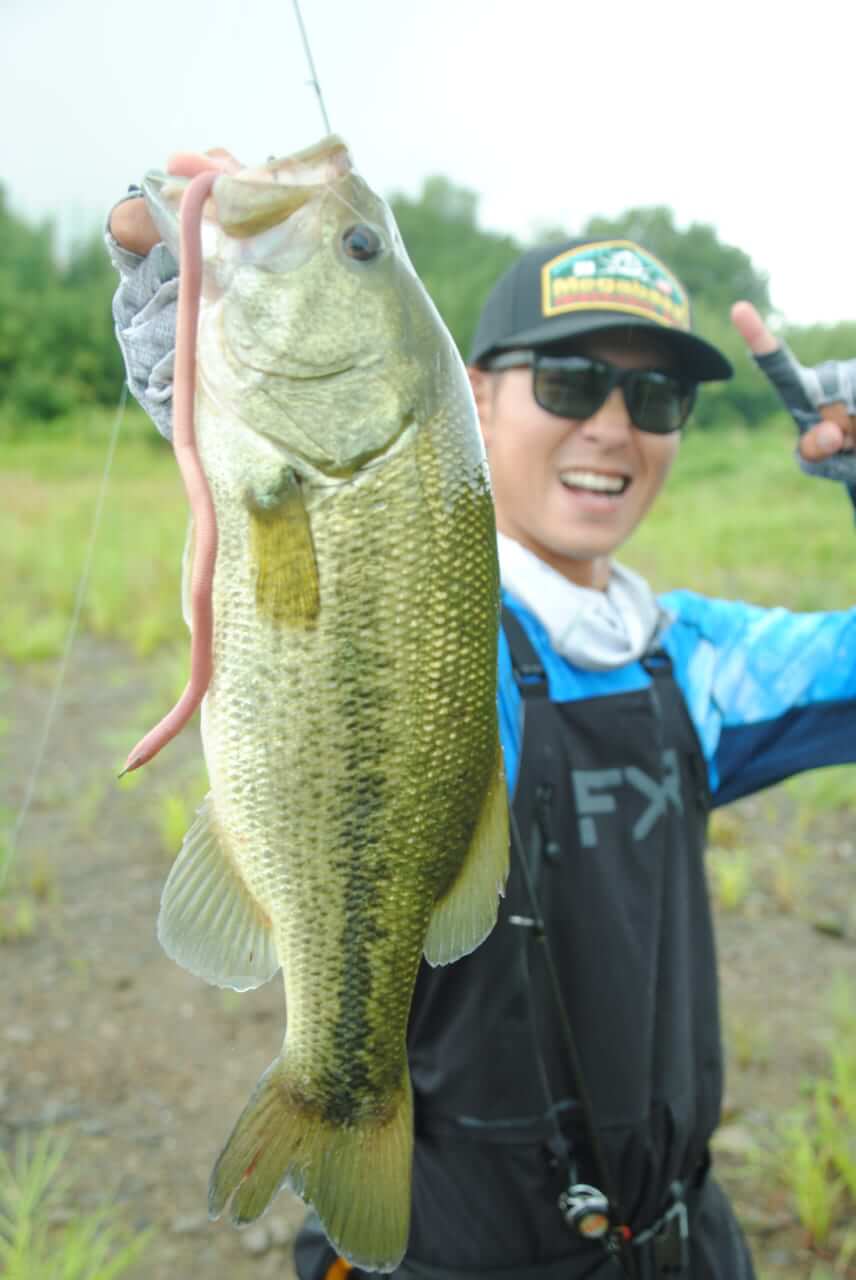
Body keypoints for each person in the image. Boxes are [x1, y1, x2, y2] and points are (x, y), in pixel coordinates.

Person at [107, 154, 856, 1280]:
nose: (612, 426)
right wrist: (214, 368)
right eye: (568, 380)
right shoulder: (465, 643)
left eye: (656, 398)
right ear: (472, 390)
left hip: (686, 1243)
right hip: (457, 1250)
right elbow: (322, 584)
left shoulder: (694, 659)